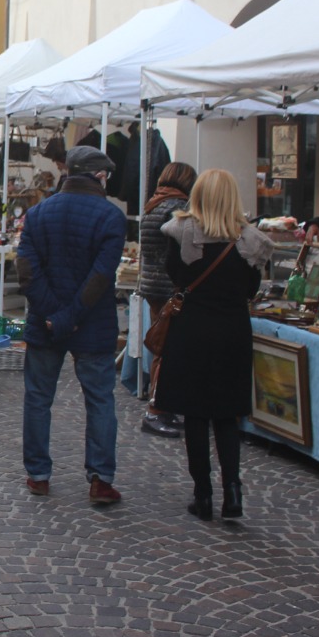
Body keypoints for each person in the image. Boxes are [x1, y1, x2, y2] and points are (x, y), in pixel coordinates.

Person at [157, 169, 273, 521]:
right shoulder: (249, 241)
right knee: (226, 414)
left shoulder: (180, 233)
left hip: (192, 328)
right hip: (233, 330)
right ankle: (233, 490)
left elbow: (174, 276)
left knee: (195, 414)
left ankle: (203, 493)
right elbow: (251, 289)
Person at [17, 145, 126, 505]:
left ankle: (38, 475)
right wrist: (69, 317)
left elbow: (27, 272)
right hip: (90, 322)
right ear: (99, 176)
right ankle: (100, 478)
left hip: (48, 321)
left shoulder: (37, 214)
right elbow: (100, 277)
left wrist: (53, 316)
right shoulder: (110, 217)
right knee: (99, 400)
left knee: (38, 398)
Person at [137, 162, 197, 439]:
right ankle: (157, 409)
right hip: (168, 286)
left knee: (162, 346)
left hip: (152, 284)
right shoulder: (176, 207)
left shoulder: (153, 204)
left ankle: (162, 406)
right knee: (166, 349)